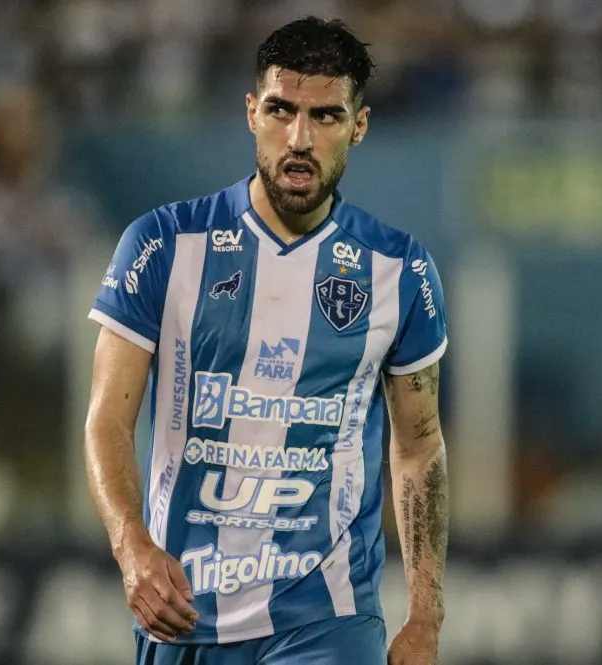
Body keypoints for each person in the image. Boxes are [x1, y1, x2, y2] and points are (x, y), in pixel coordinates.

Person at [84, 16, 449, 665]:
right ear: (252, 112)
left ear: (358, 126)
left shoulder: (400, 270)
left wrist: (425, 614)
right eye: (282, 110)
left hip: (330, 618)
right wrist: (131, 546)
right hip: (186, 610)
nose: (300, 138)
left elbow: (419, 446)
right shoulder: (165, 245)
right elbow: (107, 419)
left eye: (326, 116)